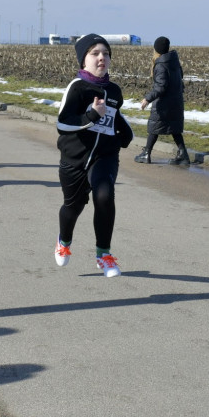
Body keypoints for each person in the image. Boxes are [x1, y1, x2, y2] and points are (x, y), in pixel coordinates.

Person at [54, 34, 133, 278]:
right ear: (83, 60)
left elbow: (114, 116)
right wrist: (91, 117)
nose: (102, 57)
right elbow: (63, 124)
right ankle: (64, 241)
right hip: (75, 159)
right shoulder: (77, 87)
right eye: (95, 53)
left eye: (106, 53)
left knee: (104, 195)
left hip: (105, 156)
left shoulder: (114, 90)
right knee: (73, 206)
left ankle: (104, 255)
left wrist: (125, 132)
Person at [135, 36, 189, 166]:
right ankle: (183, 154)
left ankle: (146, 154)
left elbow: (161, 86)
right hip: (175, 101)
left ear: (156, 49)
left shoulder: (161, 65)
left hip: (164, 103)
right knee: (174, 128)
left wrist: (147, 99)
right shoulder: (174, 62)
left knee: (154, 127)